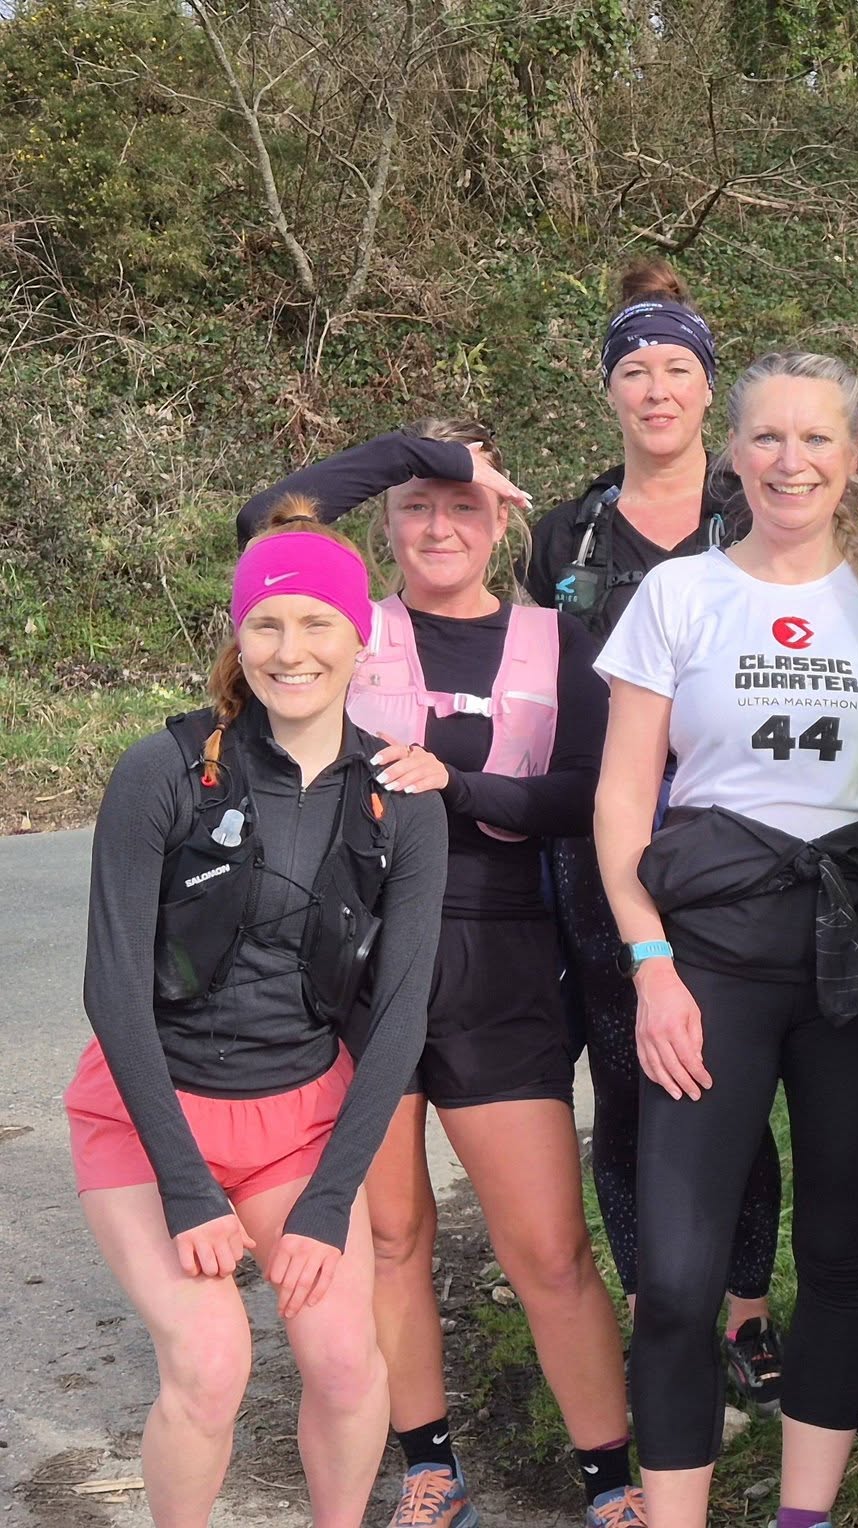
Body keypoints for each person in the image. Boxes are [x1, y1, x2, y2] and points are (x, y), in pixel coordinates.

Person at [238, 424, 644, 1527]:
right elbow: (269, 524)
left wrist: (461, 789)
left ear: (502, 522)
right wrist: (421, 452)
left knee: (548, 1249)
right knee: (390, 1236)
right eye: (415, 503)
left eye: (464, 504)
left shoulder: (557, 640)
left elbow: (591, 790)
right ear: (385, 522)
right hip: (357, 959)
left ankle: (611, 1479)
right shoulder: (341, 624)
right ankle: (429, 1466)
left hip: (494, 955)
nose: (438, 525)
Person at [594, 352, 858, 1528]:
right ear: (732, 454)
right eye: (769, 438)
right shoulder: (678, 594)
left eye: (817, 438)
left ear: (853, 457)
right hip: (710, 957)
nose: (792, 460)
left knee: (837, 1251)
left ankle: (803, 1515)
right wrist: (650, 965)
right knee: (680, 1279)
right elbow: (622, 800)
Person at [69, 509, 446, 1527]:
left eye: (318, 623)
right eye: (267, 625)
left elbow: (400, 1012)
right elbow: (112, 987)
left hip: (299, 1120)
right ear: (238, 638)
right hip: (150, 1117)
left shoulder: (402, 798)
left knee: (347, 1360)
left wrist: (331, 1200)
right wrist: (187, 1186)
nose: (292, 650)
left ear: (361, 637)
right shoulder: (164, 770)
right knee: (209, 1363)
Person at [522, 258, 787, 1413]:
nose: (656, 389)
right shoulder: (563, 537)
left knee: (733, 1077)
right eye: (634, 370)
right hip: (603, 842)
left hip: (735, 841)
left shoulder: (755, 520)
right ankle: (653, 1310)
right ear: (609, 392)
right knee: (630, 1078)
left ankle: (746, 1312)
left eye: (678, 367)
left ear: (708, 387)